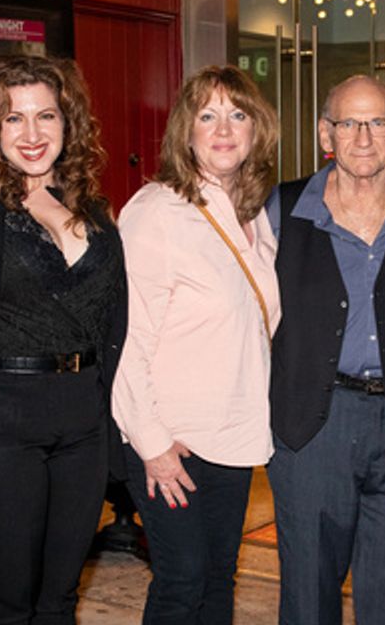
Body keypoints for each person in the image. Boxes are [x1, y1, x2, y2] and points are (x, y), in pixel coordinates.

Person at [0, 53, 127, 623]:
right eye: (12, 118)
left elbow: (116, 320)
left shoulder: (95, 209)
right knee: (6, 604)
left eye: (45, 116)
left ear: (67, 123)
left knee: (60, 599)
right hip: (4, 425)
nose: (31, 134)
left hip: (84, 425)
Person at [267, 75, 385, 625]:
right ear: (326, 132)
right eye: (348, 122)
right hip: (313, 424)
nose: (364, 137)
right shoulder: (280, 209)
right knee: (308, 592)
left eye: (378, 122)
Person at [111, 65, 280, 623]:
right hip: (171, 440)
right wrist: (152, 443)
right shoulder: (157, 212)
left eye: (238, 114)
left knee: (216, 579)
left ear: (258, 130)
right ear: (186, 132)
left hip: (232, 436)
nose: (224, 128)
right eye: (207, 115)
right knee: (181, 583)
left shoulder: (254, 217)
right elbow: (127, 339)